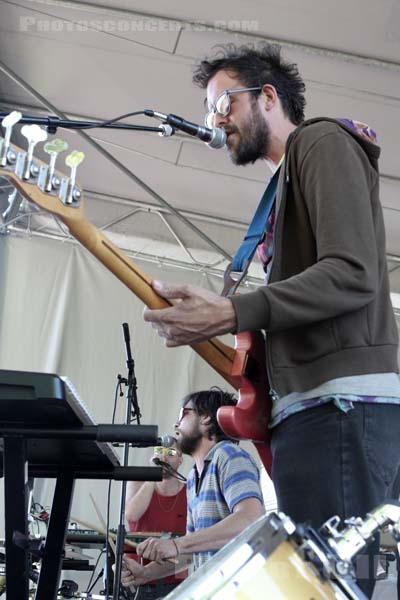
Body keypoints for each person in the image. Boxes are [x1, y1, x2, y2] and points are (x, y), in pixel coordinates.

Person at [141, 43, 400, 598]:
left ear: (267, 96)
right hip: (313, 412)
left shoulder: (322, 141)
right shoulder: (281, 186)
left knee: (330, 589)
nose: (215, 121)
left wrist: (232, 309)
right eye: (211, 111)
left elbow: (354, 272)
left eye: (222, 104)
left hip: (340, 406)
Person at [120, 389, 264, 588]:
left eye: (183, 413)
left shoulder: (229, 455)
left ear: (206, 418)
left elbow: (251, 519)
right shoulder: (193, 477)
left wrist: (176, 544)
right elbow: (190, 552)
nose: (176, 423)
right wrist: (146, 573)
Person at [124, 440, 187, 599]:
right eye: (159, 451)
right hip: (136, 577)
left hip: (175, 578)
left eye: (171, 453)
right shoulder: (138, 483)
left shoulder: (190, 490)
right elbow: (132, 515)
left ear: (180, 459)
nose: (164, 456)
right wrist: (153, 476)